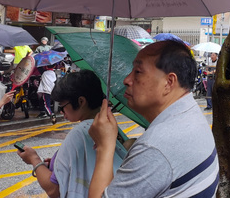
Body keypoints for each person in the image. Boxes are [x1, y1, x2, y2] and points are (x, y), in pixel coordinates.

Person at [88, 40, 219, 198]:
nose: (127, 80)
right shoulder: (190, 112)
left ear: (169, 82)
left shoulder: (156, 147)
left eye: (138, 72)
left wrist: (105, 146)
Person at [16, 70, 125, 198]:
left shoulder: (79, 134)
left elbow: (54, 190)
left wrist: (34, 159)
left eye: (62, 106)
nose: (61, 112)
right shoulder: (111, 127)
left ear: (81, 102)